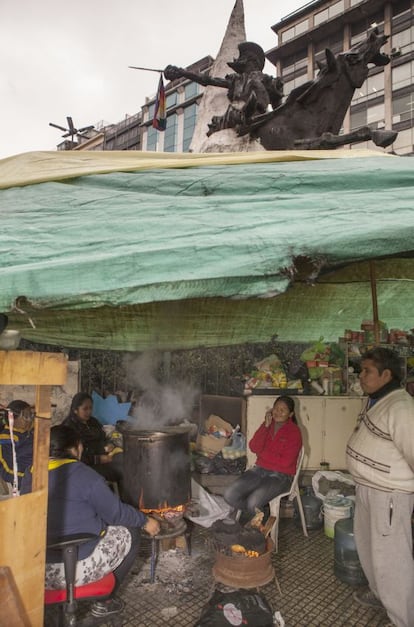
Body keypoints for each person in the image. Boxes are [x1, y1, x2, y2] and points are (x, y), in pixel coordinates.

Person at [21, 425, 160, 619]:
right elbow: (117, 514)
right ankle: (105, 600)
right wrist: (145, 521)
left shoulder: (30, 473)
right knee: (131, 530)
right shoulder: (83, 474)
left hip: (36, 570)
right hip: (74, 569)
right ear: (76, 448)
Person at [346, 347, 414, 627]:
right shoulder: (376, 399)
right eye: (360, 370)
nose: (360, 376)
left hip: (388, 497)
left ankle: (404, 619)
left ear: (387, 374)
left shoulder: (401, 407)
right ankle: (381, 596)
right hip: (367, 490)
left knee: (392, 561)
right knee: (368, 548)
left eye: (367, 371)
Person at [164, 41, 284, 137]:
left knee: (255, 85)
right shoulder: (235, 79)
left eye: (244, 59)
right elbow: (207, 80)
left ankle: (251, 115)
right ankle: (245, 116)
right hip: (236, 114)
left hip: (259, 114)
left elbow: (279, 110)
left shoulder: (267, 80)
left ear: (252, 61)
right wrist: (182, 72)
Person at [223, 395, 302, 518]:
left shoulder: (294, 432)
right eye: (276, 408)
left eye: (283, 410)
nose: (278, 412)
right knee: (229, 495)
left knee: (253, 502)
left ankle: (257, 523)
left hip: (281, 476)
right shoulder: (267, 425)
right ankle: (260, 517)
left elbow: (285, 462)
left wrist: (262, 453)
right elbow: (254, 446)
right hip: (259, 470)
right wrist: (265, 426)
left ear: (290, 414)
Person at [62, 392, 124, 491]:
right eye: (85, 409)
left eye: (91, 408)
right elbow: (74, 456)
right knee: (119, 471)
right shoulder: (69, 427)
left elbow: (104, 437)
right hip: (84, 466)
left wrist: (109, 444)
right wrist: (98, 458)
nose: (89, 411)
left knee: (125, 461)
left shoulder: (93, 422)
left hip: (105, 457)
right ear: (75, 410)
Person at [0, 400, 34, 490]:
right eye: (26, 416)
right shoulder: (6, 439)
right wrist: (31, 478)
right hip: (25, 483)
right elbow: (7, 471)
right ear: (12, 418)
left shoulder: (29, 433)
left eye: (31, 415)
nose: (30, 419)